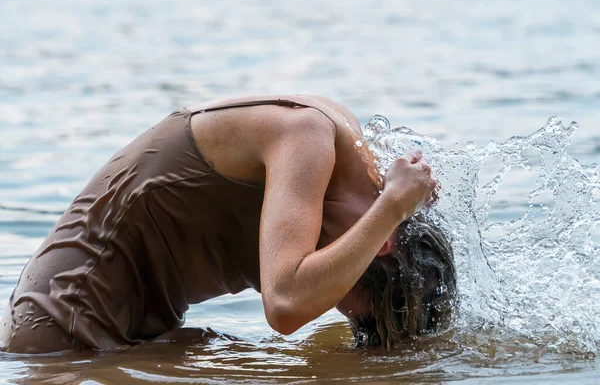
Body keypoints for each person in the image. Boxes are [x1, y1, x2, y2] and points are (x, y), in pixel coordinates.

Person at [0, 95, 456, 354]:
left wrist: (399, 204)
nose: (331, 300)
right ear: (382, 245)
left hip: (139, 329)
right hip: (65, 324)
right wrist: (393, 206)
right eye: (343, 298)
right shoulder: (308, 136)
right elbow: (286, 303)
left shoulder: (353, 169)